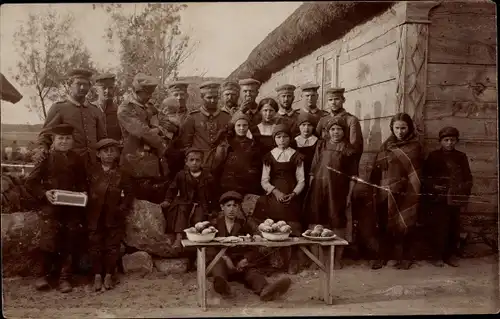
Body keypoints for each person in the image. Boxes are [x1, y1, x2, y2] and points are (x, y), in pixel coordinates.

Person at [25, 124, 88, 293]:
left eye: (68, 138)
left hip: (72, 207)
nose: (64, 141)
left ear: (72, 141)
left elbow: (83, 181)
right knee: (48, 239)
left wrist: (83, 192)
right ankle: (42, 275)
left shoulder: (77, 158)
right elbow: (31, 182)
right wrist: (44, 194)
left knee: (70, 239)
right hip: (50, 207)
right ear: (54, 140)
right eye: (61, 138)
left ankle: (64, 278)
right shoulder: (45, 158)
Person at [208, 191, 292, 300]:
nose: (232, 209)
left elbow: (255, 246)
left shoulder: (245, 224)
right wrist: (225, 258)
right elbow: (210, 247)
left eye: (235, 205)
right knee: (217, 266)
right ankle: (224, 288)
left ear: (239, 208)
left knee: (252, 273)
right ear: (222, 207)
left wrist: (246, 259)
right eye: (228, 206)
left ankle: (265, 290)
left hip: (241, 265)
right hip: (224, 262)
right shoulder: (215, 225)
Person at [369, 113, 423, 270]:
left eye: (404, 128)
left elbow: (416, 172)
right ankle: (382, 257)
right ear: (392, 128)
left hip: (407, 191)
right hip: (385, 190)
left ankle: (405, 258)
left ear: (409, 128)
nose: (400, 132)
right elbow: (376, 168)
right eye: (397, 128)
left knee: (406, 223)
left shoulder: (415, 146)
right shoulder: (386, 146)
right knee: (384, 224)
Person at [304, 117, 358, 269]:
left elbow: (353, 175)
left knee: (337, 222)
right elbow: (313, 169)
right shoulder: (321, 144)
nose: (336, 132)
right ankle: (317, 259)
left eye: (339, 129)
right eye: (333, 129)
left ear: (344, 131)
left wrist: (348, 195)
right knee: (316, 221)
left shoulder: (348, 149)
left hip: (338, 190)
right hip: (318, 187)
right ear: (328, 131)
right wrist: (311, 189)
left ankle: (336, 259)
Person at [253, 124, 305, 274]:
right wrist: (275, 192)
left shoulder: (297, 156)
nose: (282, 140)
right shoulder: (269, 156)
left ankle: (292, 260)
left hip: (292, 195)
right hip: (275, 195)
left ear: (290, 138)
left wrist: (294, 194)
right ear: (274, 139)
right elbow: (264, 180)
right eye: (278, 137)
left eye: (285, 137)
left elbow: (301, 180)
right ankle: (275, 260)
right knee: (274, 226)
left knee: (293, 226)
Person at [33, 68, 107, 168]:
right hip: (67, 165)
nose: (82, 87)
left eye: (85, 84)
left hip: (92, 165)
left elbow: (102, 139)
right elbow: (45, 135)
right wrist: (41, 149)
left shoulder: (95, 110)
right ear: (69, 85)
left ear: (89, 86)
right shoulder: (59, 108)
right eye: (78, 84)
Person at [86, 138, 134, 291]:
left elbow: (129, 193)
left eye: (112, 151)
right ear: (98, 154)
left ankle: (108, 275)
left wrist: (122, 208)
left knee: (112, 246)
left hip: (114, 215)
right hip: (94, 215)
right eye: (105, 151)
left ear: (117, 154)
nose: (108, 154)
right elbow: (83, 190)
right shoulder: (91, 171)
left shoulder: (122, 173)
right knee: (95, 245)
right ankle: (97, 276)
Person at [423, 126, 473, 267]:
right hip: (438, 199)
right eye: (446, 140)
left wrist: (461, 190)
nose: (449, 143)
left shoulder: (461, 157)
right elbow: (426, 178)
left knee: (453, 226)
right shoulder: (434, 156)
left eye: (452, 140)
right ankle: (437, 256)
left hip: (455, 198)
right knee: (439, 227)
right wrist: (435, 187)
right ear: (441, 141)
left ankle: (449, 255)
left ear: (456, 141)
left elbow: (468, 177)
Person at [160, 148, 216, 252]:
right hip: (184, 201)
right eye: (192, 160)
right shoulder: (181, 175)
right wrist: (168, 200)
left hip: (201, 203)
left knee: (199, 218)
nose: (194, 163)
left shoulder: (208, 176)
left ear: (202, 162)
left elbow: (213, 194)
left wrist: (213, 209)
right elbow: (172, 189)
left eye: (197, 160)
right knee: (181, 210)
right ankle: (178, 238)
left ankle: (196, 241)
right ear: (186, 162)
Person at [117, 73, 168, 182]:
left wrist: (159, 129)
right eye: (146, 94)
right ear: (136, 91)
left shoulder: (149, 106)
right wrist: (161, 141)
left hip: (152, 160)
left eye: (151, 93)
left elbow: (165, 121)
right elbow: (142, 131)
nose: (149, 96)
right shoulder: (125, 109)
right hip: (133, 160)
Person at [180, 81, 231, 172]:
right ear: (202, 97)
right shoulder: (192, 117)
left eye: (215, 97)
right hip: (199, 165)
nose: (212, 100)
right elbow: (185, 144)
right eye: (209, 97)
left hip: (221, 164)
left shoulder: (226, 117)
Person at [216, 113, 262, 197]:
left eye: (245, 125)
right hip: (228, 184)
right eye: (238, 125)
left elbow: (257, 166)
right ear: (234, 127)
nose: (242, 128)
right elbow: (218, 166)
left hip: (247, 185)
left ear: (248, 127)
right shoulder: (226, 144)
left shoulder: (253, 144)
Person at [316, 88, 363, 165]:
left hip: (343, 162)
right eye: (330, 100)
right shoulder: (323, 120)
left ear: (343, 100)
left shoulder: (351, 120)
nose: (333, 103)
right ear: (327, 102)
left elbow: (355, 147)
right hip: (324, 163)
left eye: (336, 99)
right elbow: (317, 143)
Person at [94, 73, 122, 141]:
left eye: (110, 88)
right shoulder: (90, 109)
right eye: (104, 88)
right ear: (96, 91)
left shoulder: (119, 110)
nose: (108, 91)